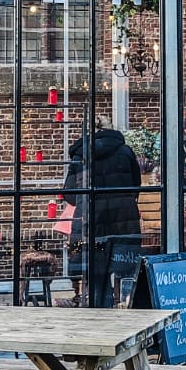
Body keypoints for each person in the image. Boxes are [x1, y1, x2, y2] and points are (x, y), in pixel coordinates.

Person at [63, 117, 142, 307]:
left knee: (96, 277)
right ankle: (124, 311)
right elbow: (135, 186)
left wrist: (87, 202)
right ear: (111, 128)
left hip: (92, 222)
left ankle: (98, 312)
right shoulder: (125, 152)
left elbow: (69, 193)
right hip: (123, 222)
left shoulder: (81, 155)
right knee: (124, 273)